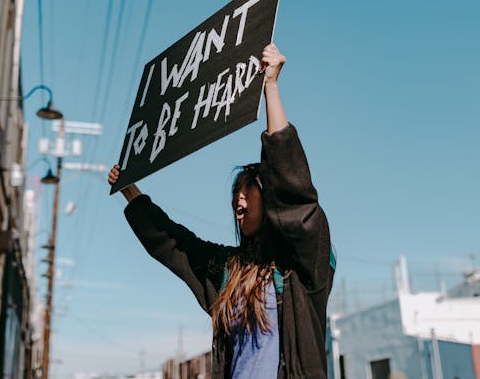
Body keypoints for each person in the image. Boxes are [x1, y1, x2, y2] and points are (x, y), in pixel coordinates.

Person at [108, 43, 334, 378]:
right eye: (235, 193)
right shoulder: (228, 270)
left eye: (248, 189)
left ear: (270, 194)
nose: (238, 200)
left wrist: (270, 86)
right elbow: (175, 245)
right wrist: (131, 192)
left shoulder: (302, 266)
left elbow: (294, 193)